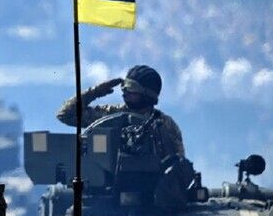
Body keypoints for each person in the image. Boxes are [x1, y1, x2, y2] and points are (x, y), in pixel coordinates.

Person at [56, 65, 185, 158]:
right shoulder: (111, 115)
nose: (124, 91)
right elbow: (66, 115)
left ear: (147, 94)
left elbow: (178, 166)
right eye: (124, 86)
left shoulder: (165, 125)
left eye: (131, 88)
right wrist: (95, 92)